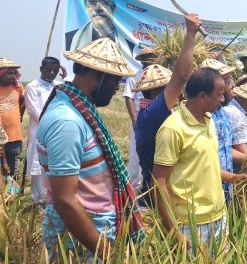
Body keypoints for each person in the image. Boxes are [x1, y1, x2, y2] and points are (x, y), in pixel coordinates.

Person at [37, 38, 144, 260]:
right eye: (115, 80)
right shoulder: (67, 122)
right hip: (80, 239)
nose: (117, 87)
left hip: (92, 229)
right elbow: (65, 200)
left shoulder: (79, 110)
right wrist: (105, 250)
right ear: (97, 75)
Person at [153, 67, 228, 255]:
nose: (223, 99)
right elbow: (159, 183)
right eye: (219, 94)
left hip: (219, 217)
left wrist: (231, 176)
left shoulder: (209, 120)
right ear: (202, 96)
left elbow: (200, 166)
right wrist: (174, 231)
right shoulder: (173, 129)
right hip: (191, 225)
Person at [133, 14, 202, 206]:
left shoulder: (160, 113)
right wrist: (190, 34)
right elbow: (180, 77)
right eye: (168, 87)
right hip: (156, 200)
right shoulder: (152, 114)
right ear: (155, 91)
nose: (178, 93)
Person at [200, 59, 247, 203]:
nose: (232, 86)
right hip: (209, 189)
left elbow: (226, 147)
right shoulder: (205, 116)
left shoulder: (222, 112)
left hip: (226, 186)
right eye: (227, 81)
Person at [23, 57, 66, 203]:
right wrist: (51, 123)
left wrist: (65, 76)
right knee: (37, 166)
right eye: (49, 70)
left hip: (57, 132)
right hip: (39, 131)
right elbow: (34, 111)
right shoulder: (32, 87)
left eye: (55, 70)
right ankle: (38, 200)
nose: (52, 73)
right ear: (41, 69)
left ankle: (52, 199)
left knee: (53, 165)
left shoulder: (59, 86)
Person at [65, 0, 136, 65]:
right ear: (85, 7)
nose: (97, 8)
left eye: (103, 3)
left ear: (113, 8)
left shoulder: (129, 48)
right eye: (91, 2)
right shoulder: (70, 39)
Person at [124, 47, 157, 191]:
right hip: (140, 117)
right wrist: (134, 119)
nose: (149, 61)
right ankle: (134, 187)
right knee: (136, 153)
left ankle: (150, 185)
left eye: (152, 58)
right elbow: (128, 98)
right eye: (147, 59)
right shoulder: (135, 76)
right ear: (142, 62)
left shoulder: (158, 75)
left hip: (156, 116)